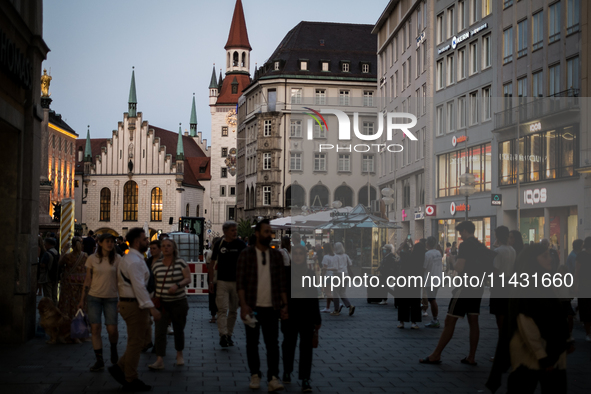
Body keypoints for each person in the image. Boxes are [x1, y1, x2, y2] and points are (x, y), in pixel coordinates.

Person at [486, 244, 573, 393]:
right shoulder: (527, 286)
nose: (550, 259)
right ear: (532, 259)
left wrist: (566, 340)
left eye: (549, 255)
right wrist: (542, 355)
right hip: (528, 354)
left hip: (551, 351)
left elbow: (558, 315)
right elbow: (526, 323)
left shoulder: (545, 281)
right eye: (544, 255)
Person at [420, 221, 486, 365]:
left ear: (465, 230)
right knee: (473, 322)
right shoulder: (480, 245)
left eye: (461, 232)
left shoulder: (465, 245)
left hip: (464, 288)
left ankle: (436, 354)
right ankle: (471, 356)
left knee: (450, 321)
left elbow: (460, 267)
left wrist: (452, 260)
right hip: (477, 287)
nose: (460, 235)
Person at [237, 219, 287, 392]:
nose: (269, 235)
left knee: (272, 343)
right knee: (252, 343)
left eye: (270, 232)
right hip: (252, 306)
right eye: (266, 231)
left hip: (272, 307)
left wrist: (285, 304)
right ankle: (255, 375)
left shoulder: (276, 255)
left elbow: (281, 283)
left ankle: (273, 377)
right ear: (257, 234)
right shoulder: (246, 254)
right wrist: (243, 305)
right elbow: (241, 283)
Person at [108, 228, 161, 392]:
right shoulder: (134, 261)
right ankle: (130, 379)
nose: (147, 241)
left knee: (136, 342)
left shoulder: (130, 258)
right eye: (145, 239)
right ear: (138, 242)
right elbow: (139, 287)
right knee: (135, 343)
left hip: (131, 303)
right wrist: (152, 308)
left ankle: (119, 368)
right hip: (134, 305)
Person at [281, 245, 321, 392]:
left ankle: (305, 378)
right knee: (288, 345)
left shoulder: (310, 274)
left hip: (306, 315)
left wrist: (317, 319)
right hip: (290, 315)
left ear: (305, 256)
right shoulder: (286, 272)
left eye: (301, 254)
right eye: (295, 254)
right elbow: (281, 292)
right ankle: (287, 370)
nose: (298, 256)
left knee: (306, 348)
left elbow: (314, 297)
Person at [80, 233, 121, 372]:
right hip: (94, 297)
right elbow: (87, 280)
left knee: (112, 329)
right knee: (95, 328)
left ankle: (114, 348)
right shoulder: (92, 259)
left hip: (111, 297)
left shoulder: (117, 259)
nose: (110, 244)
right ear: (101, 243)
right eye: (107, 241)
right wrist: (82, 299)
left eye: (112, 242)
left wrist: (120, 298)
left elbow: (120, 281)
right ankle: (99, 359)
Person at [148, 239, 191, 370]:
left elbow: (188, 278)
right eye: (163, 246)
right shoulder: (156, 265)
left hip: (178, 302)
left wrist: (177, 285)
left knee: (178, 329)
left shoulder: (180, 263)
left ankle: (179, 354)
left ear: (174, 248)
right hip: (162, 303)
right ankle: (159, 359)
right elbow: (154, 283)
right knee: (160, 331)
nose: (166, 248)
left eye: (168, 246)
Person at [209, 221, 247, 348]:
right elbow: (212, 263)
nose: (235, 232)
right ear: (225, 231)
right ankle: (223, 335)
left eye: (235, 230)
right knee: (222, 309)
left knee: (233, 310)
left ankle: (229, 334)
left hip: (237, 282)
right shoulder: (219, 244)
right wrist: (210, 281)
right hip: (222, 281)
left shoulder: (241, 244)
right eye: (232, 230)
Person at [490, 226, 516, 334]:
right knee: (506, 311)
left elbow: (495, 270)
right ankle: (507, 334)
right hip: (509, 281)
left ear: (498, 236)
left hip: (499, 282)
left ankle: (502, 336)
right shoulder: (512, 250)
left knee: (499, 313)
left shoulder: (497, 251)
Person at [58, 237, 88, 320]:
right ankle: (81, 319)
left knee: (69, 303)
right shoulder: (85, 255)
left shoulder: (68, 256)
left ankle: (69, 320)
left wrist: (63, 250)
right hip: (81, 283)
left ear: (72, 245)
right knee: (80, 302)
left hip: (69, 284)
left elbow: (60, 263)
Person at [398, 241, 424, 329]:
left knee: (403, 302)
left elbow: (398, 251)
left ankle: (402, 322)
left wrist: (405, 241)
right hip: (415, 282)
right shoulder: (421, 258)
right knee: (415, 302)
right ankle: (414, 323)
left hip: (404, 281)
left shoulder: (407, 256)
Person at [142, 240, 161, 352]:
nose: (152, 250)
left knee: (159, 320)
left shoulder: (164, 261)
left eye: (154, 248)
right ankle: (148, 341)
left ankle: (157, 344)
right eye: (151, 248)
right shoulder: (148, 261)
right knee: (146, 319)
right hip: (149, 292)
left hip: (160, 292)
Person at [424, 237, 443, 328]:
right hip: (437, 278)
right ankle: (435, 319)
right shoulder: (438, 253)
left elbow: (424, 267)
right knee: (432, 299)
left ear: (428, 244)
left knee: (432, 300)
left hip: (430, 279)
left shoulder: (427, 254)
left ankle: (435, 319)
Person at [575, 236, 591, 342]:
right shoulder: (581, 255)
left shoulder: (580, 255)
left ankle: (588, 333)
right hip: (585, 286)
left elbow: (577, 272)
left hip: (584, 286)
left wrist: (575, 285)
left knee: (585, 310)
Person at [332, 242, 355, 316]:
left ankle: (336, 310)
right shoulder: (346, 256)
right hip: (345, 275)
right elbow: (350, 264)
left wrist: (327, 268)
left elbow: (335, 268)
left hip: (337, 275)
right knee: (342, 292)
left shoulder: (335, 256)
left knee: (335, 293)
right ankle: (350, 306)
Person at [205, 237, 220, 324]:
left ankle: (213, 316)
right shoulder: (222, 253)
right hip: (220, 277)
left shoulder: (210, 253)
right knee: (220, 296)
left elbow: (207, 266)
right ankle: (220, 314)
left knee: (212, 296)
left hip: (211, 276)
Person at [41, 238, 60, 304]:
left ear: (48, 244)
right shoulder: (57, 252)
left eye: (45, 244)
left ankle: (50, 310)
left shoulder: (47, 253)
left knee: (48, 295)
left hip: (48, 276)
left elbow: (43, 265)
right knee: (54, 295)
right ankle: (55, 308)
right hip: (55, 276)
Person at [321, 244, 337, 314]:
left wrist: (322, 277)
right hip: (334, 275)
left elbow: (324, 269)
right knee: (329, 292)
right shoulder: (335, 256)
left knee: (327, 293)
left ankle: (338, 304)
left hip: (328, 275)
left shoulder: (326, 257)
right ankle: (327, 307)